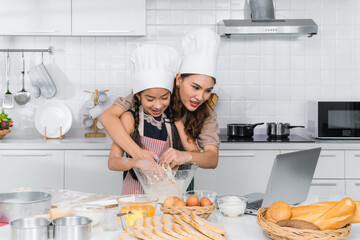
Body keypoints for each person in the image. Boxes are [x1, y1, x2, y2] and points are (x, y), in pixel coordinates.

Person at [100, 28, 221, 172]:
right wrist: (139, 156)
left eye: (208, 90)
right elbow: (108, 117)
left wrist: (186, 156)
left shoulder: (202, 113)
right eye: (195, 87)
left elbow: (212, 159)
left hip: (178, 180)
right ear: (178, 79)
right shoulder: (155, 89)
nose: (200, 97)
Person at [108, 44, 198, 194]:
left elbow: (195, 154)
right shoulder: (129, 118)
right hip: (135, 199)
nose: (157, 105)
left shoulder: (174, 119)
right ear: (138, 96)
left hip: (167, 196)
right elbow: (113, 161)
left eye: (164, 98)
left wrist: (180, 159)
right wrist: (137, 162)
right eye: (150, 99)